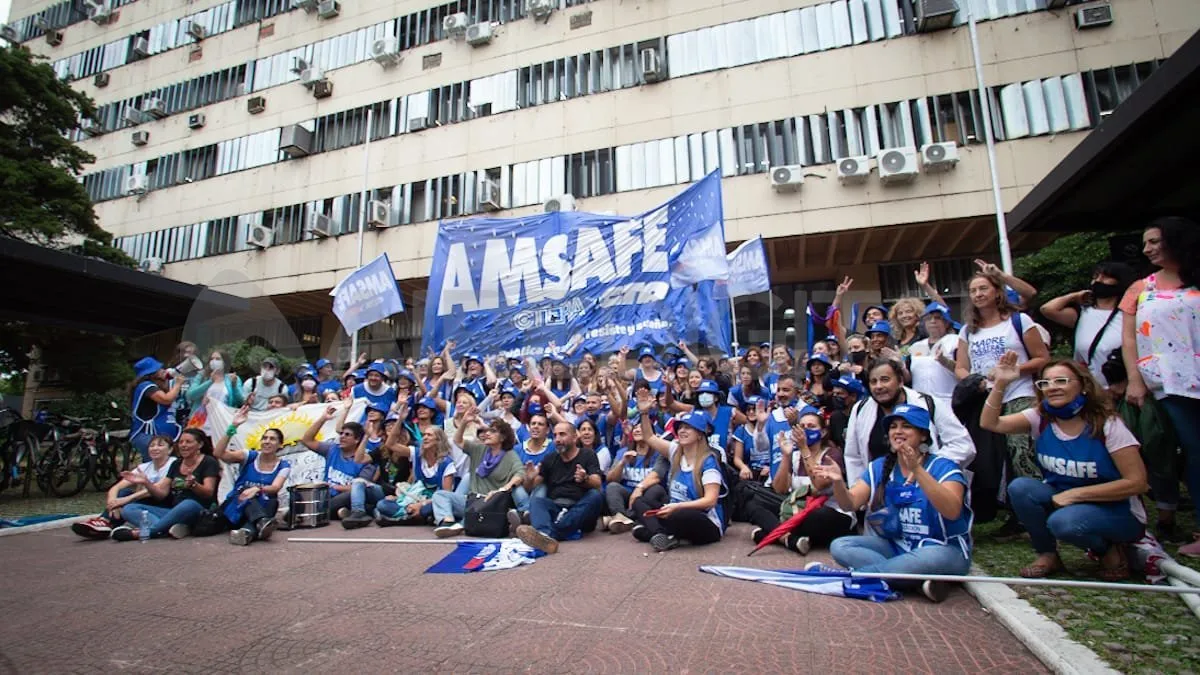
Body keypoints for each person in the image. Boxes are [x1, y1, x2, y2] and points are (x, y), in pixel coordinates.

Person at [981, 356, 1148, 578]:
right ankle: (1047, 555)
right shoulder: (1041, 418)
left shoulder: (1108, 425)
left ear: (1083, 385)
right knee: (1020, 488)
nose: (1052, 388)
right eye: (1046, 383)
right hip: (1064, 499)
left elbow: (1137, 482)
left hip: (1118, 511)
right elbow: (990, 423)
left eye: (1061, 381)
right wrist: (1001, 383)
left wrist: (1077, 495)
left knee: (1062, 523)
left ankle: (1108, 549)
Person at [812, 404, 972, 603]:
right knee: (841, 545)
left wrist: (917, 470)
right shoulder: (879, 466)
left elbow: (952, 511)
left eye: (906, 426)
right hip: (900, 547)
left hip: (944, 549)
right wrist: (838, 482)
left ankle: (848, 577)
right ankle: (914, 581)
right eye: (893, 426)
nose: (898, 431)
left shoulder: (944, 467)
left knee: (926, 558)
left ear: (923, 435)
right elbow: (849, 504)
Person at [1119, 217, 1200, 555]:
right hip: (1166, 385)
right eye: (1145, 243)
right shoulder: (1141, 287)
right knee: (1185, 453)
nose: (1147, 249)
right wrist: (1135, 380)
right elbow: (1128, 338)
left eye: (1154, 241)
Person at [955, 269, 1050, 534]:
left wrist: (1011, 373)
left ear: (997, 291)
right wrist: (977, 381)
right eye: (973, 291)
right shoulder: (967, 330)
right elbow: (961, 368)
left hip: (1020, 394)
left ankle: (1036, 510)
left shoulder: (1019, 321)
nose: (978, 294)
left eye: (983, 288)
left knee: (1021, 452)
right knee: (993, 457)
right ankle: (1009, 510)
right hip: (986, 398)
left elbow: (1042, 357)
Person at [844, 359, 975, 487]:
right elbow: (853, 456)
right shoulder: (860, 409)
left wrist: (928, 467)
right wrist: (860, 492)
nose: (878, 386)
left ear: (900, 381)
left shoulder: (929, 403)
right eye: (873, 382)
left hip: (927, 493)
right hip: (879, 497)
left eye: (885, 379)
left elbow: (962, 445)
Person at [744, 409, 855, 554]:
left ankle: (772, 533)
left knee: (816, 516)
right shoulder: (795, 456)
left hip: (830, 513)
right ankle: (789, 539)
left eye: (811, 426)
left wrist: (804, 448)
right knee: (753, 503)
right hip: (798, 509)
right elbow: (780, 489)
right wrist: (786, 456)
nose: (805, 430)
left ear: (822, 433)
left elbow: (819, 484)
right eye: (802, 426)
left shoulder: (832, 454)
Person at [633, 402, 726, 551]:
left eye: (687, 428)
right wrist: (644, 413)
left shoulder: (708, 461)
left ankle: (656, 532)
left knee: (680, 516)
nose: (682, 431)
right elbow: (649, 437)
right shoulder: (676, 451)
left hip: (704, 522)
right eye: (680, 428)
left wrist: (677, 507)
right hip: (674, 510)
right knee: (640, 502)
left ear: (700, 434)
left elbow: (710, 501)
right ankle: (660, 535)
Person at [1040, 262, 1136, 387]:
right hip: (1092, 388)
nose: (1098, 281)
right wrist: (1074, 296)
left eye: (1106, 277)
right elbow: (1047, 309)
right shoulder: (1082, 313)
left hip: (1124, 386)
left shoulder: (1130, 314)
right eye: (1096, 277)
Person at [514, 422, 605, 554]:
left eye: (562, 434)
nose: (557, 439)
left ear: (574, 437)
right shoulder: (550, 459)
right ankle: (546, 536)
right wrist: (529, 478)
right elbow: (530, 487)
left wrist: (585, 478)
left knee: (596, 496)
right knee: (537, 501)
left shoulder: (587, 454)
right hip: (556, 507)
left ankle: (548, 535)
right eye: (555, 435)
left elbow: (597, 483)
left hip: (579, 509)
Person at [116, 429, 221, 541]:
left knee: (188, 504)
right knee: (129, 508)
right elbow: (161, 494)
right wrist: (146, 482)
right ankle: (166, 527)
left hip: (196, 509)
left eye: (188, 442)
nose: (183, 445)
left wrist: (194, 485)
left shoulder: (208, 462)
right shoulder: (177, 464)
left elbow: (208, 492)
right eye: (181, 442)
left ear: (200, 444)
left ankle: (148, 532)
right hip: (172, 510)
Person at [432, 410, 524, 537]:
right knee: (440, 495)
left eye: (492, 431)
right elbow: (457, 441)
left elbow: (520, 473)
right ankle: (448, 522)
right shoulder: (479, 449)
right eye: (486, 431)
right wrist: (464, 422)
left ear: (503, 437)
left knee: (481, 510)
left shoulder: (510, 455)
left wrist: (503, 489)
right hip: (472, 501)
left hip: (493, 504)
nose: (487, 434)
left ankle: (461, 525)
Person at [72, 435, 177, 539]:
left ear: (170, 449)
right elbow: (116, 487)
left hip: (165, 501)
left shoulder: (173, 463)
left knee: (127, 505)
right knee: (122, 492)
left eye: (160, 445)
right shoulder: (144, 467)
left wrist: (125, 500)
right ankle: (104, 522)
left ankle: (106, 523)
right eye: (152, 446)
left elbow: (158, 488)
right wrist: (113, 503)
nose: (155, 448)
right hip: (145, 501)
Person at [213, 406, 290, 545]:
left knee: (271, 500)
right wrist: (233, 426)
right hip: (237, 505)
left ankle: (246, 533)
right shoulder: (250, 456)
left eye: (272, 439)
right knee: (245, 493)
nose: (267, 441)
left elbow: (275, 487)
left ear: (280, 445)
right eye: (264, 438)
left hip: (262, 505)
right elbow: (219, 454)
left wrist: (258, 489)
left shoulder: (283, 465)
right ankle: (260, 523)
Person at [298, 404, 375, 524]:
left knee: (348, 495)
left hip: (345, 497)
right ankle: (337, 513)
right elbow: (307, 440)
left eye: (347, 435)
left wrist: (334, 487)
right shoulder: (332, 449)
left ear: (357, 440)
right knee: (302, 493)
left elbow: (359, 488)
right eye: (341, 434)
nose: (342, 437)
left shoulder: (365, 460)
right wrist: (323, 418)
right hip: (325, 496)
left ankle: (312, 514)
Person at [375, 427, 456, 526]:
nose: (425, 438)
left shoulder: (446, 463)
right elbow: (390, 444)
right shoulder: (417, 454)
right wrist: (400, 419)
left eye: (429, 435)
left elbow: (446, 494)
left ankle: (401, 518)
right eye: (424, 435)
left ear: (439, 440)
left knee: (428, 509)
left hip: (432, 500)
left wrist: (422, 504)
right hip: (414, 498)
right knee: (382, 504)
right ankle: (410, 516)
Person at [603, 417, 668, 533]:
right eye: (635, 428)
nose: (637, 430)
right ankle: (621, 518)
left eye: (641, 428)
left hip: (648, 495)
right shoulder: (623, 452)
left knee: (655, 489)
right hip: (628, 493)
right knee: (612, 487)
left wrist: (639, 490)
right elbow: (610, 479)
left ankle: (627, 518)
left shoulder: (659, 453)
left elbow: (658, 478)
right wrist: (622, 462)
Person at [128, 357, 183, 462]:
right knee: (156, 466)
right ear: (152, 373)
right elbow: (166, 399)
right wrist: (178, 384)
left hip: (162, 436)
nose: (163, 370)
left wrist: (168, 379)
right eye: (159, 369)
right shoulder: (146, 386)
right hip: (148, 435)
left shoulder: (157, 386)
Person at [907, 302, 960, 404]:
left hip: (948, 402)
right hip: (919, 403)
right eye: (929, 318)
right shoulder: (916, 346)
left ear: (947, 322)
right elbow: (908, 377)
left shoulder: (955, 341)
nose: (933, 321)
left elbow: (964, 370)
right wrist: (900, 365)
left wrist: (945, 361)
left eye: (938, 318)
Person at [827, 375, 865, 449]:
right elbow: (833, 441)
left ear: (853, 396)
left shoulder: (864, 416)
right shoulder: (835, 417)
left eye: (839, 394)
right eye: (834, 393)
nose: (835, 396)